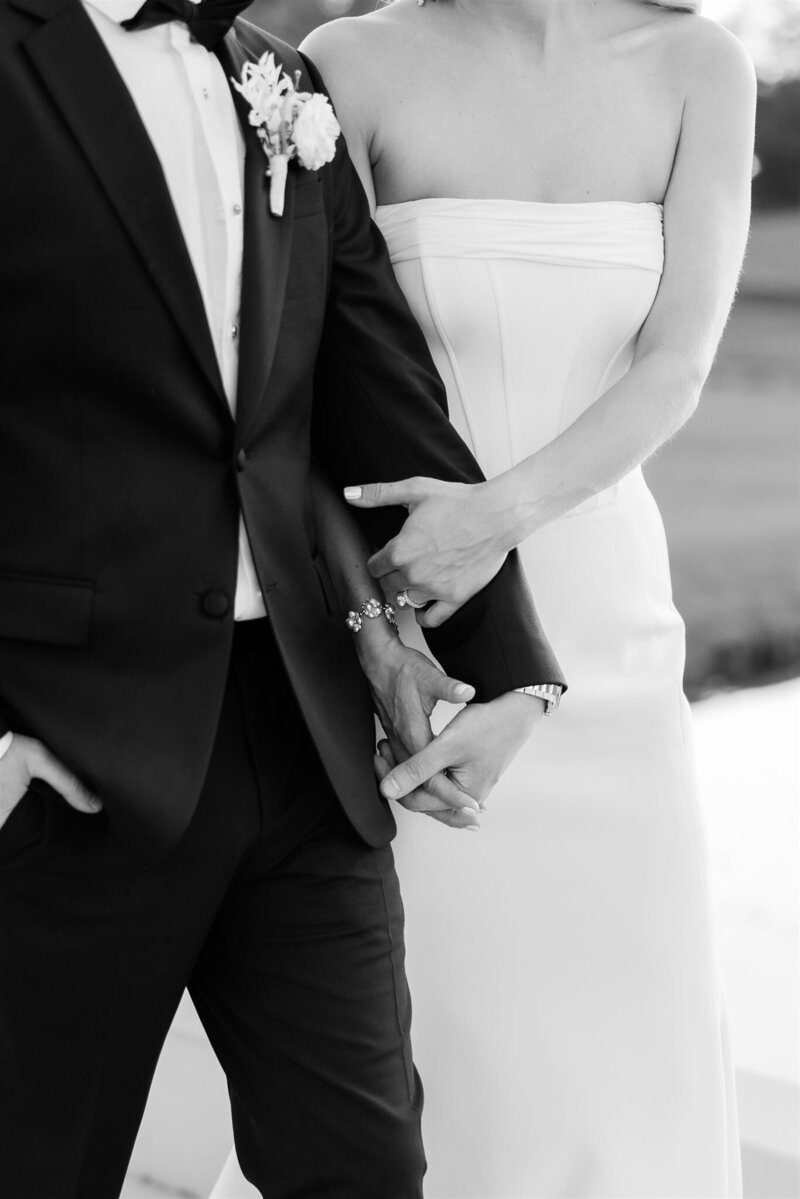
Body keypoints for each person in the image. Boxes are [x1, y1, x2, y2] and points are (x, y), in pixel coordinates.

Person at [0, 0, 568, 1195]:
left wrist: (506, 665)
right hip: (66, 753)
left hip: (306, 740)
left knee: (363, 1167)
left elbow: (375, 381)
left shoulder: (278, 79)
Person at [212, 0, 755, 1194]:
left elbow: (676, 361)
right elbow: (305, 373)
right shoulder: (344, 67)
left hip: (608, 630)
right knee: (416, 1058)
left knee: (622, 1058)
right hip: (402, 629)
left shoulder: (696, 69)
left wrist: (494, 518)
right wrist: (388, 621)